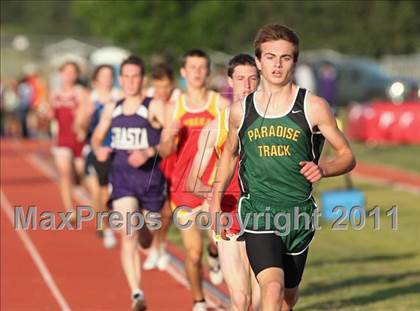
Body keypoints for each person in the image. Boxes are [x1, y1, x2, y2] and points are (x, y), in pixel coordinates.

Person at [210, 24, 356, 311]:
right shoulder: (242, 110)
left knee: (287, 297)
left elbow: (347, 155)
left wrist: (324, 169)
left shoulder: (313, 106)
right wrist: (215, 201)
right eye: (270, 57)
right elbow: (229, 154)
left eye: (285, 58)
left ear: (295, 61)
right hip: (257, 211)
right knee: (272, 289)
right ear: (258, 61)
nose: (277, 64)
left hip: (297, 216)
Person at [187, 53, 261, 310]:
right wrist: (212, 195)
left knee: (265, 298)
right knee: (241, 298)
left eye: (253, 78)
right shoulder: (215, 127)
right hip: (228, 212)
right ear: (230, 82)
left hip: (265, 212)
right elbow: (193, 180)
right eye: (240, 78)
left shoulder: (273, 122)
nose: (247, 85)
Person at [92, 55, 165, 311]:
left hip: (151, 183)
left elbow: (170, 142)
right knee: (128, 234)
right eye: (127, 76)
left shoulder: (153, 106)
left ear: (142, 79)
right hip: (122, 181)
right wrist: (99, 149)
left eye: (136, 76)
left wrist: (147, 152)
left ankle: (147, 235)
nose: (131, 81)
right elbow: (98, 136)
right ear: (121, 79)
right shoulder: (114, 108)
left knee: (146, 235)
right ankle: (136, 293)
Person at [159, 49, 229, 311]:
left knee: (217, 243)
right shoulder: (174, 106)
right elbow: (164, 150)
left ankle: (215, 254)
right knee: (192, 253)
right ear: (183, 72)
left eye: (202, 68)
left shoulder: (219, 104)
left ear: (208, 71)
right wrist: (169, 137)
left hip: (212, 187)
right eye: (193, 68)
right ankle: (199, 300)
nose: (198, 73)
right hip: (183, 189)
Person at [143, 63, 181, 271]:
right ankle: (154, 248)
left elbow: (170, 125)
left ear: (172, 84)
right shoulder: (148, 99)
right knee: (152, 209)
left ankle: (160, 245)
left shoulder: (178, 99)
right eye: (157, 87)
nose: (161, 92)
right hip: (152, 160)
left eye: (165, 86)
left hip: (174, 159)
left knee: (167, 210)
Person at [80, 64, 121, 248]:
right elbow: (79, 127)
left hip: (115, 149)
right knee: (97, 191)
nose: (107, 79)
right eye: (103, 76)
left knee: (107, 194)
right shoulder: (90, 98)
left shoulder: (119, 96)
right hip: (94, 149)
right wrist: (85, 118)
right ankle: (105, 227)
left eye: (110, 75)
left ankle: (103, 220)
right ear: (96, 80)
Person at [48, 61, 89, 221]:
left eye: (72, 72)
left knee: (79, 174)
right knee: (64, 173)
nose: (69, 75)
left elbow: (86, 115)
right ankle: (69, 210)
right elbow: (50, 115)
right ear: (61, 74)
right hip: (62, 139)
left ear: (77, 75)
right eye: (66, 72)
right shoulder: (54, 94)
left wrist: (81, 120)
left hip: (78, 140)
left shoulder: (81, 92)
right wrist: (44, 114)